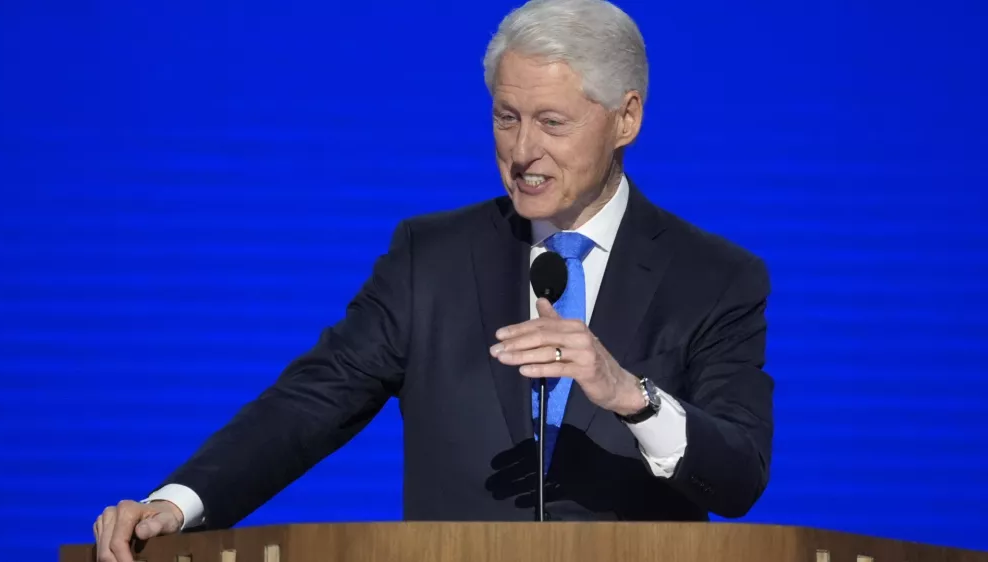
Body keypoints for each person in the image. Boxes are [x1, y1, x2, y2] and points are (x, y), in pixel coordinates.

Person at [93, 0, 773, 560]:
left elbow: (739, 475)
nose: (522, 150)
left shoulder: (714, 277)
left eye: (551, 122)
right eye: (506, 118)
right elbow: (312, 402)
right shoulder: (432, 258)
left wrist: (630, 395)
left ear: (626, 118)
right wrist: (178, 503)